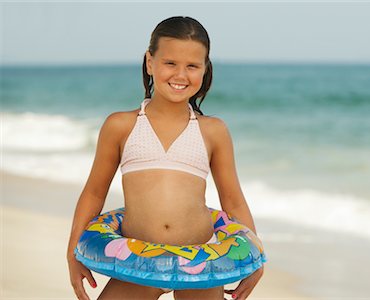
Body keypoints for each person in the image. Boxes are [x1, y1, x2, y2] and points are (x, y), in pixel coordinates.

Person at [67, 16, 264, 300]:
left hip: (200, 263)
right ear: (150, 62)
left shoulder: (213, 131)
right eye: (170, 63)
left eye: (192, 66)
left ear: (205, 69)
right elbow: (94, 193)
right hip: (137, 263)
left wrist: (253, 258)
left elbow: (233, 200)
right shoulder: (122, 126)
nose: (180, 75)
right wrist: (73, 252)